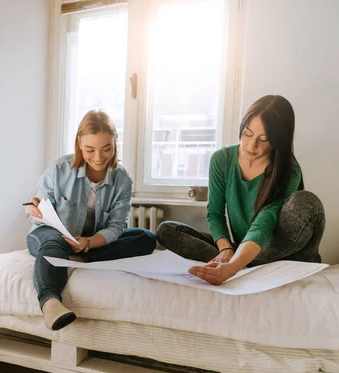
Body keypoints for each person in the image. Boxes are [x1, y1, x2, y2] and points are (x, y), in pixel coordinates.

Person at [156, 95, 325, 285]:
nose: (251, 146)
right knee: (167, 230)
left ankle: (240, 264)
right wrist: (225, 250)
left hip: (276, 248)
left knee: (306, 202)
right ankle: (241, 263)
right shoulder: (222, 160)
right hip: (242, 248)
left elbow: (265, 222)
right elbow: (215, 213)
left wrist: (232, 267)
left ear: (279, 140)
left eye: (264, 139)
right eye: (248, 133)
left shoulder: (288, 170)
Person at [25, 110, 156, 331]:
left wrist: (88, 243)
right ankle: (50, 302)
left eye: (107, 148)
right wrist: (33, 205)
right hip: (51, 234)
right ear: (79, 143)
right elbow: (39, 202)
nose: (98, 157)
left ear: (115, 142)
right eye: (89, 150)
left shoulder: (122, 180)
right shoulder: (60, 169)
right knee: (54, 241)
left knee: (147, 237)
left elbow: (116, 226)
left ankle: (83, 255)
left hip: (88, 243)